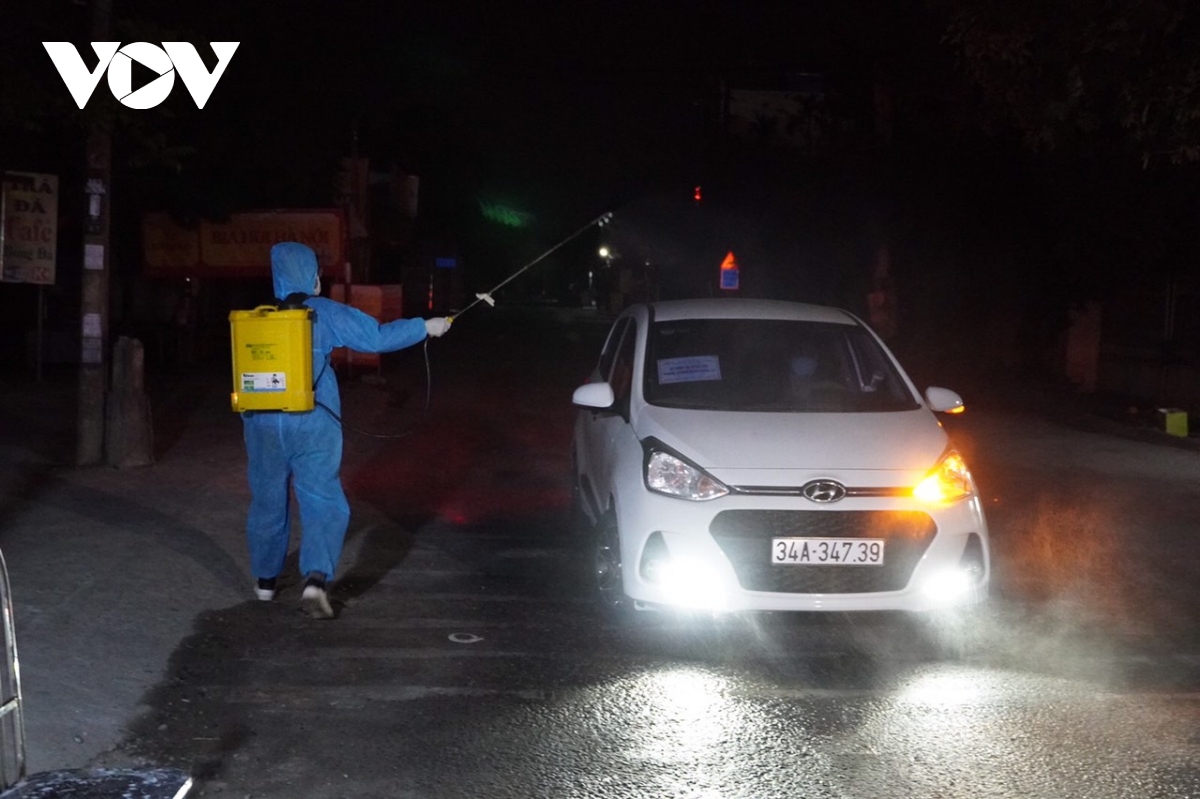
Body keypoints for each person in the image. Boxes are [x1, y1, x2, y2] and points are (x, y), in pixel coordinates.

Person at [243, 241, 452, 619]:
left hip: (262, 425)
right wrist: (425, 326)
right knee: (321, 497)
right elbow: (376, 338)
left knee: (267, 500)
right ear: (313, 278)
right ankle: (315, 580)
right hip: (312, 421)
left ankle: (265, 584)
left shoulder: (258, 318)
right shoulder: (322, 311)